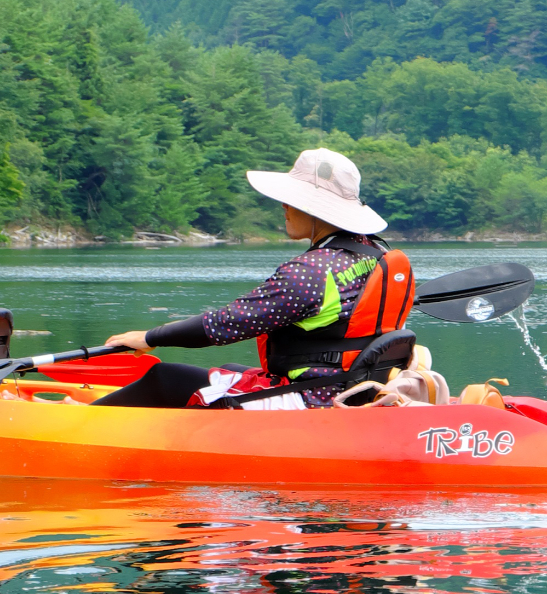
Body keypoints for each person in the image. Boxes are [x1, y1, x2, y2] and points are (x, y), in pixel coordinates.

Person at [96, 148, 414, 409]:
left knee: (165, 377)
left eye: (294, 199)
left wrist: (150, 337)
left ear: (317, 209)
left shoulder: (310, 272)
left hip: (315, 399)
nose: (285, 207)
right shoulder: (374, 255)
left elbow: (225, 324)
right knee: (231, 371)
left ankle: (81, 422)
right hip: (352, 388)